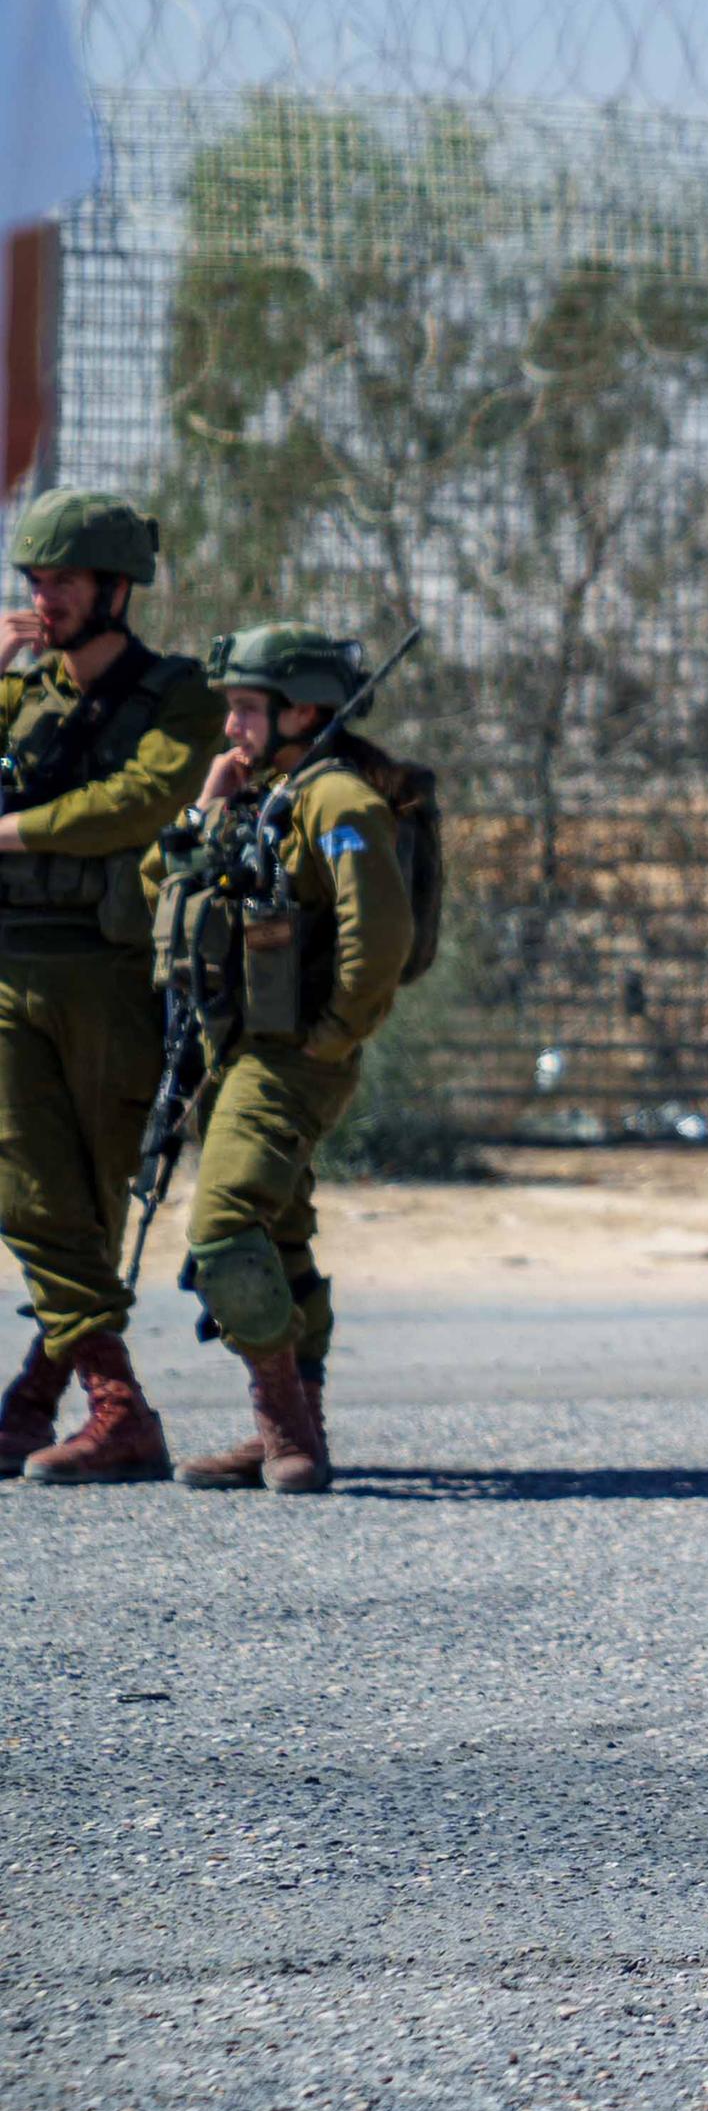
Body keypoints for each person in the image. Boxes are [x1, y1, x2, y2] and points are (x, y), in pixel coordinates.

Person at [148, 626, 423, 1493]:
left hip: (293, 1054)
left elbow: (377, 934)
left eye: (246, 707)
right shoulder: (263, 792)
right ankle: (293, 1430)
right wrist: (207, 804)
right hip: (234, 1048)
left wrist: (332, 1034)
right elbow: (163, 877)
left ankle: (284, 1426)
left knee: (223, 1229)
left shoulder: (338, 802)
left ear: (302, 710)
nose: (231, 723)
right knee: (279, 1232)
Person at [0, 489, 224, 1484]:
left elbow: (141, 800)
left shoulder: (179, 695)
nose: (45, 600)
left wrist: (11, 831)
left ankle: (42, 1401)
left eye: (65, 582)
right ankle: (117, 1405)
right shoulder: (17, 689)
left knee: (87, 1202)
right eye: (35, 581)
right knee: (27, 1187)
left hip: (112, 972)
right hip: (8, 965)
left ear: (116, 591)